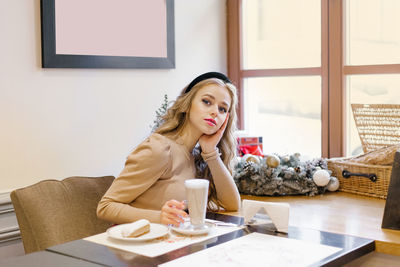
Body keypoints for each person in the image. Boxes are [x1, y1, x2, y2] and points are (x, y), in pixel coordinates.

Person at [97, 72, 241, 226]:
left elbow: (232, 205)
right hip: (138, 243)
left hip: (174, 242)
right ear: (187, 104)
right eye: (206, 102)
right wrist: (159, 217)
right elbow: (105, 207)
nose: (215, 112)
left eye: (223, 109)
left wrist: (211, 153)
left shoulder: (199, 155)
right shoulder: (159, 148)